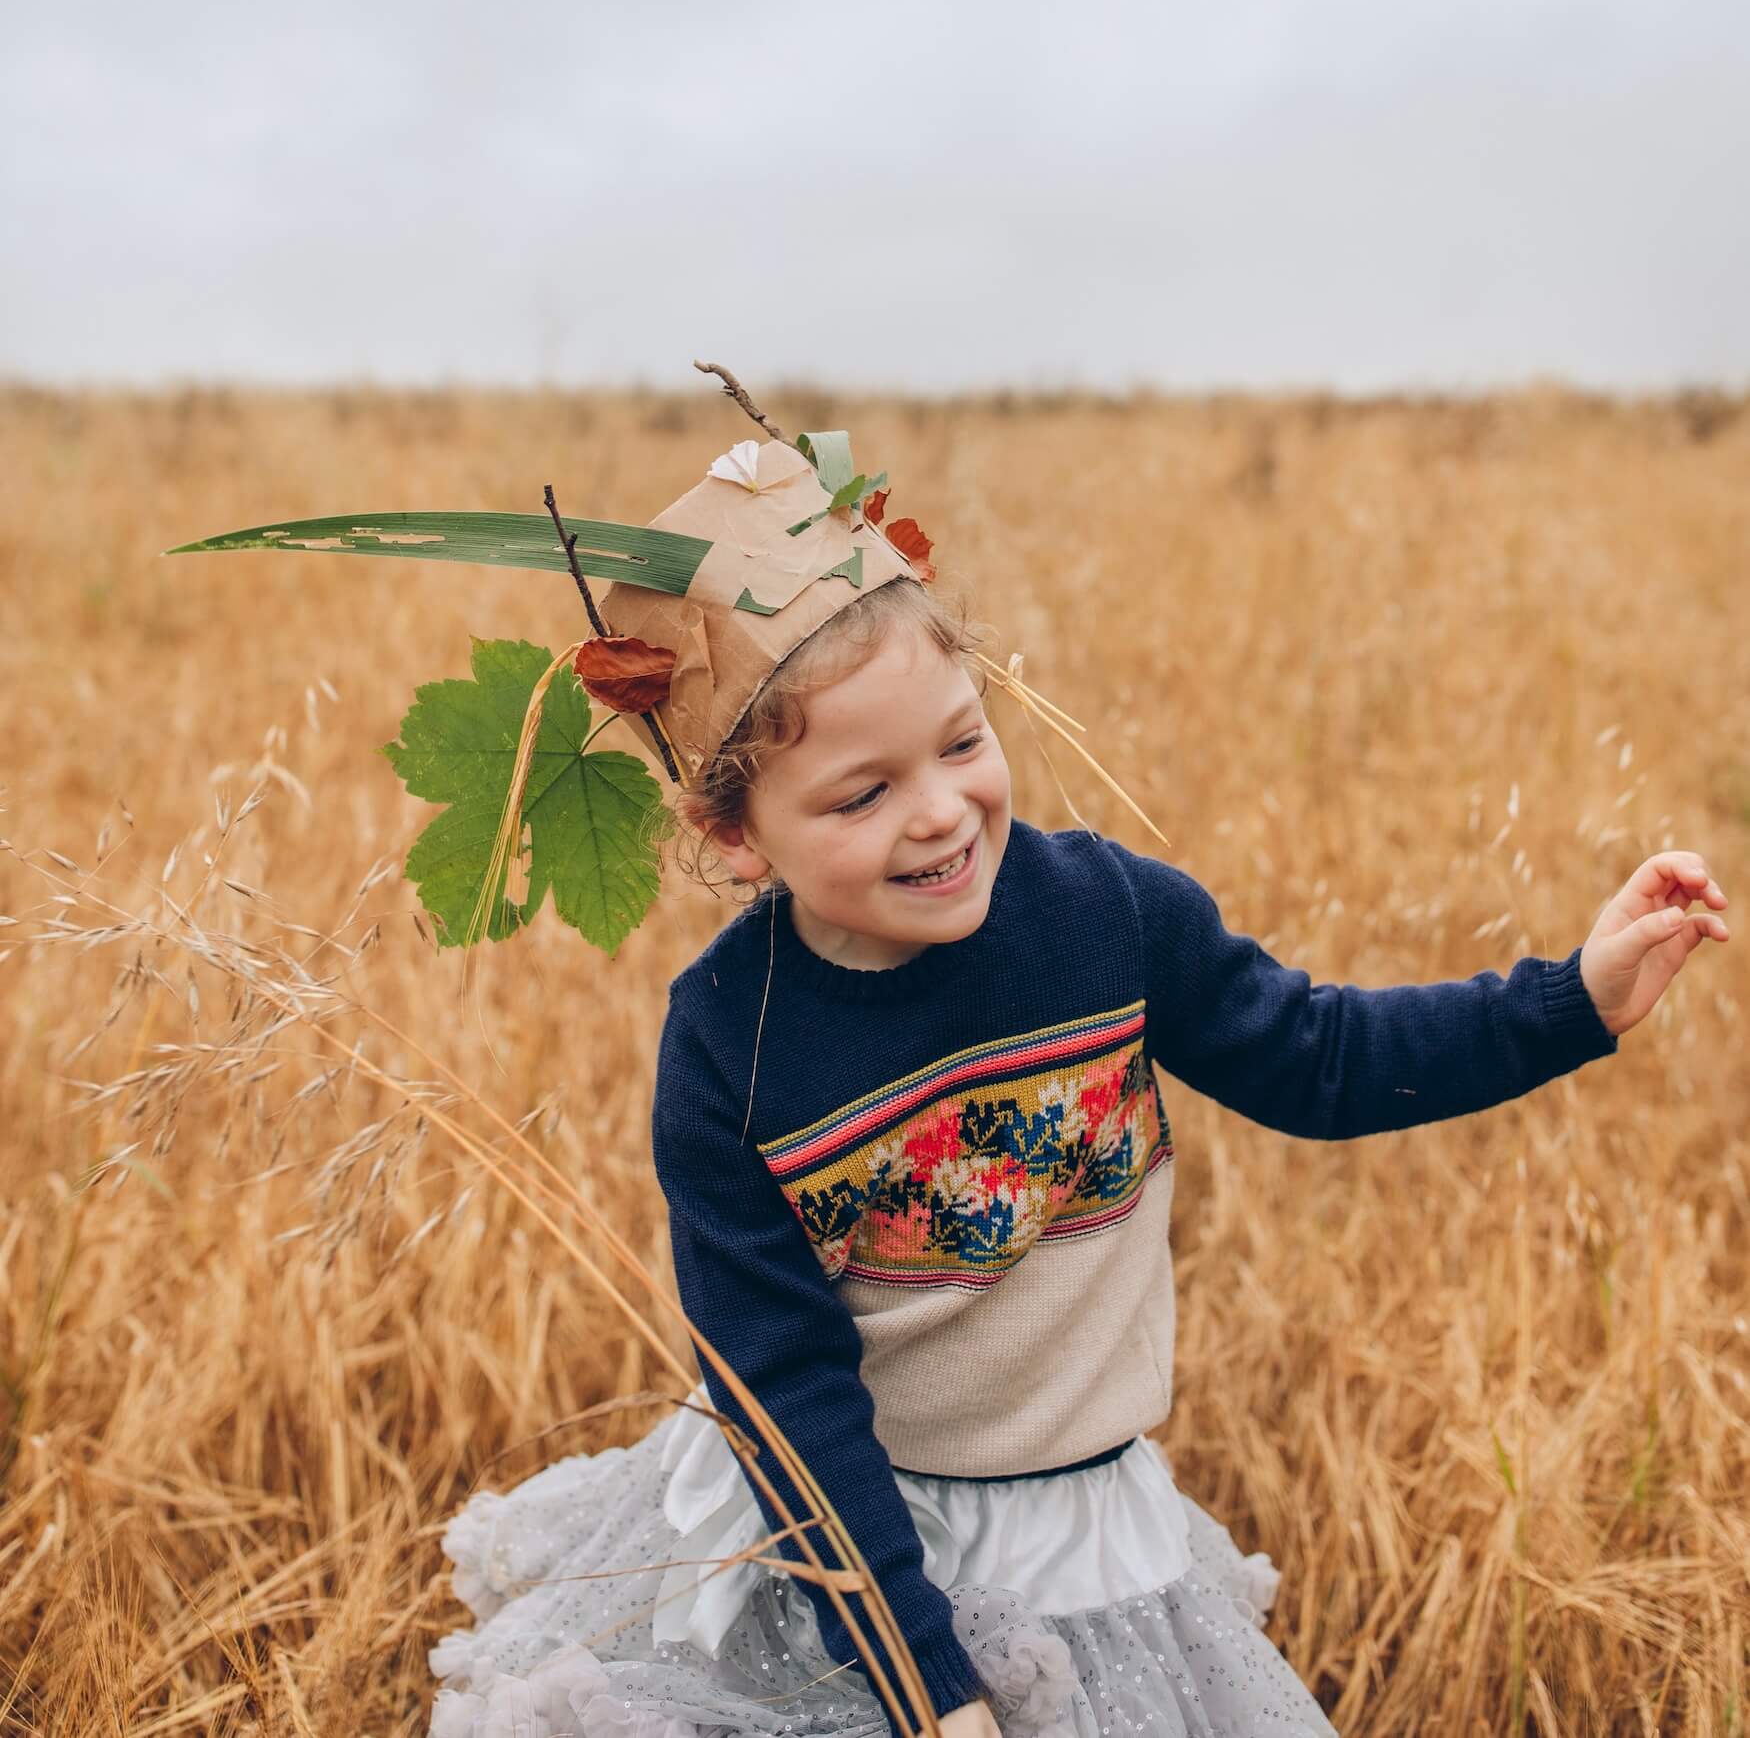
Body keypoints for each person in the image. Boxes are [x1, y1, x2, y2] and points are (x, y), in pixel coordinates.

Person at [424, 421, 1728, 1738]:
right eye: (861, 791)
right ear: (733, 832)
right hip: (846, 1544)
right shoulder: (728, 1041)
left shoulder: (1108, 915)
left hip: (1079, 1542)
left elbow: (1326, 1058)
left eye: (959, 741)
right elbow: (783, 1384)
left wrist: (1573, 996)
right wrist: (928, 1688)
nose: (936, 811)